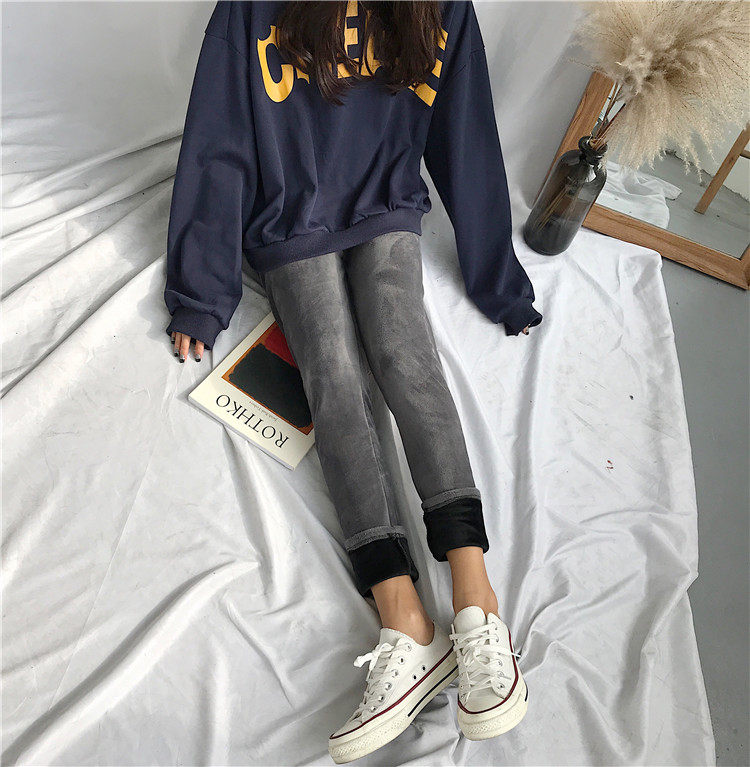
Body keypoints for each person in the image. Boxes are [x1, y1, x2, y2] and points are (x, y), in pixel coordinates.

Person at [164, 1, 541, 761]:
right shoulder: (250, 8)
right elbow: (219, 140)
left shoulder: (440, 6)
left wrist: (497, 281)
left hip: (385, 201)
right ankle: (404, 617)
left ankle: (476, 601)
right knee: (334, 374)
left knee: (404, 351)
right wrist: (202, 292)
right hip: (287, 216)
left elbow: (464, 134)